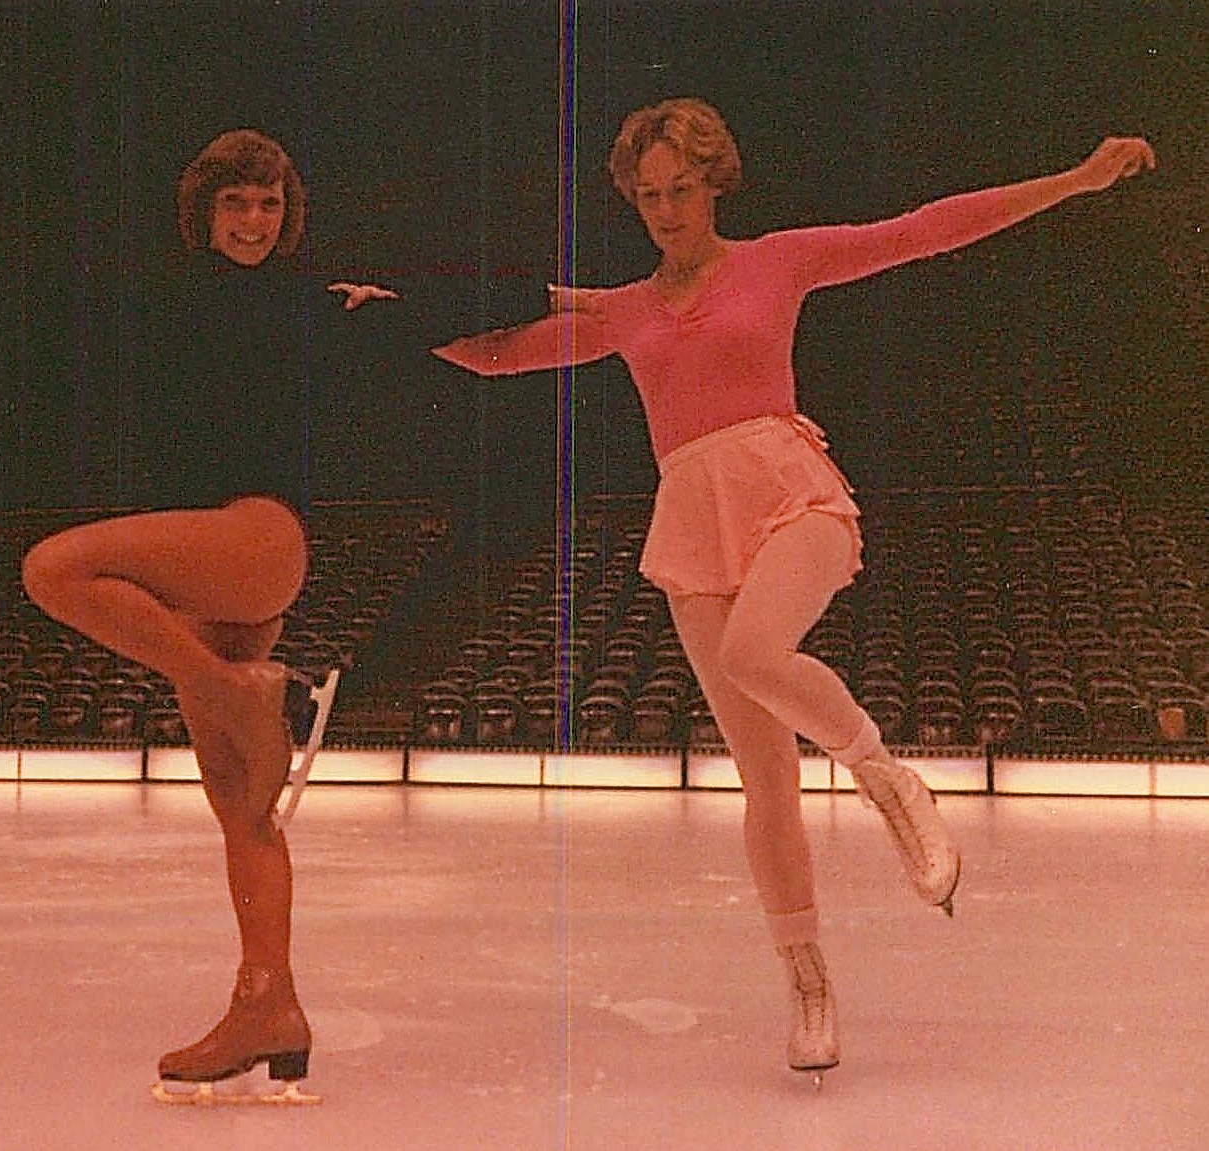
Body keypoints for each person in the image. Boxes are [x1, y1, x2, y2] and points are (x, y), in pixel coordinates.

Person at [432, 98, 1155, 1081]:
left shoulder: (776, 259)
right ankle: (807, 981)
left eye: (679, 189)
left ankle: (883, 775)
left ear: (713, 180)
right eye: (645, 196)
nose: (663, 210)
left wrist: (1072, 179)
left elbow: (921, 230)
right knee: (763, 776)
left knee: (753, 653)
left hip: (789, 493)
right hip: (691, 520)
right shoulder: (622, 309)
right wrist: (370, 321)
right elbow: (495, 352)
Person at [12, 128, 390, 1102]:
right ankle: (269, 1002)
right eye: (236, 205)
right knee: (243, 806)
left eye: (268, 205)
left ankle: (250, 691)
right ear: (204, 210)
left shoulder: (315, 302)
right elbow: (40, 259)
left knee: (54, 567)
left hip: (258, 537)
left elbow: (446, 320)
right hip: (213, 569)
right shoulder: (162, 293)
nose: (253, 223)